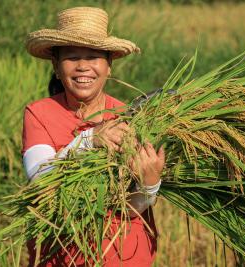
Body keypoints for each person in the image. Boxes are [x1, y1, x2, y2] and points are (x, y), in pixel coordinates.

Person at [22, 7, 165, 267]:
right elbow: (42, 183)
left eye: (93, 57)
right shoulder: (39, 113)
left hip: (123, 256)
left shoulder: (130, 119)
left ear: (108, 66)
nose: (83, 66)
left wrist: (149, 185)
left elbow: (131, 208)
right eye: (72, 57)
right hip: (62, 256)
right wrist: (89, 140)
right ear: (56, 65)